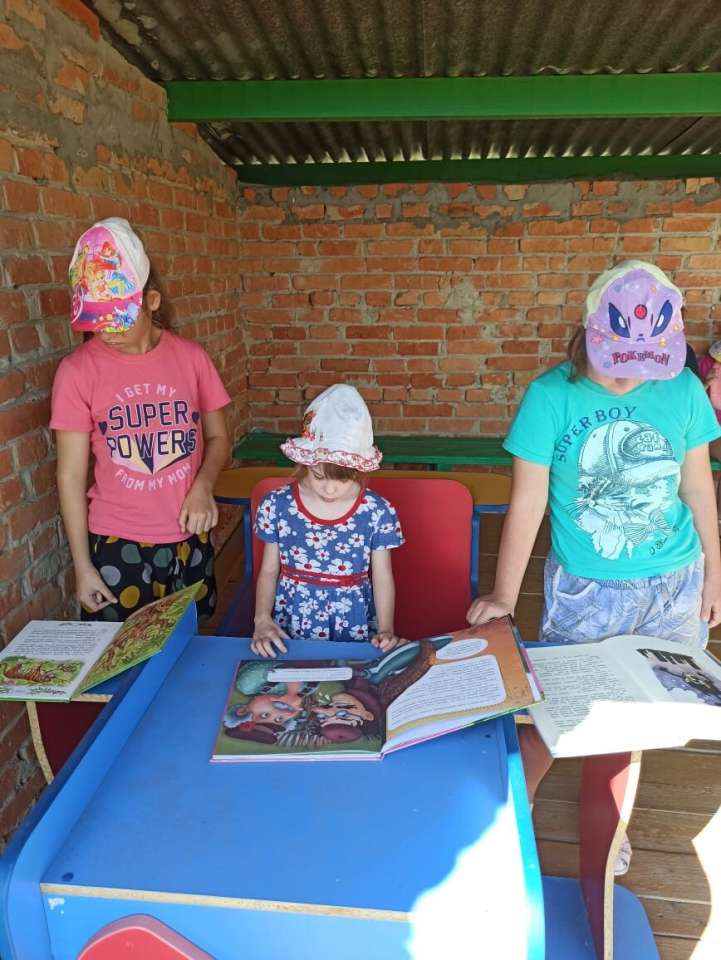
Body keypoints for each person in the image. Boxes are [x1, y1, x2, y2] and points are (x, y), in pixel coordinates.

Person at [467, 260, 721, 870]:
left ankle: (610, 817)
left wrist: (716, 571)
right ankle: (511, 811)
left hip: (675, 583)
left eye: (645, 363)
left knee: (639, 710)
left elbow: (697, 486)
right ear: (588, 336)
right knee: (556, 707)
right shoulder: (550, 396)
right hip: (588, 589)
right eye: (617, 361)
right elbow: (528, 501)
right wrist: (504, 596)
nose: (629, 377)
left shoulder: (684, 389)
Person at [51, 218, 231, 626]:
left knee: (189, 642)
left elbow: (219, 437)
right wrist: (82, 566)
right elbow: (70, 474)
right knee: (118, 651)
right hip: (117, 544)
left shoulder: (192, 358)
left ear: (150, 300)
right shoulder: (77, 372)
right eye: (97, 320)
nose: (106, 331)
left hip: (189, 536)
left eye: (117, 318)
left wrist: (203, 486)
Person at [251, 384, 404, 657]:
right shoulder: (277, 505)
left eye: (343, 480)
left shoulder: (376, 511)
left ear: (358, 470)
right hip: (292, 621)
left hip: (351, 621)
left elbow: (382, 575)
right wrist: (261, 619)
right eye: (319, 476)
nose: (330, 489)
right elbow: (269, 570)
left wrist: (386, 628)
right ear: (305, 463)